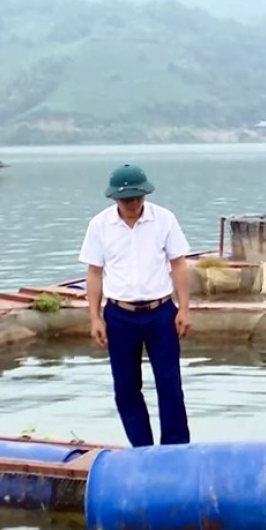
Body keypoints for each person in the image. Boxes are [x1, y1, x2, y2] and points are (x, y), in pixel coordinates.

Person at [79, 164, 192, 447]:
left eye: (138, 197)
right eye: (127, 199)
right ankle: (141, 448)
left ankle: (175, 448)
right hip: (119, 314)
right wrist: (94, 317)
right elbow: (94, 272)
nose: (133, 204)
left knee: (169, 385)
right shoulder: (100, 225)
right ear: (115, 199)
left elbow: (178, 263)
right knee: (126, 387)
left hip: (161, 312)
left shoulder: (164, 219)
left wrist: (185, 308)